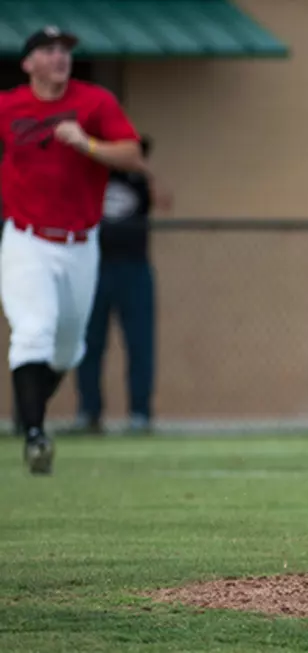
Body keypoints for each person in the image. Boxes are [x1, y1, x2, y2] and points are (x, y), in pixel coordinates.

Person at [0, 26, 144, 474]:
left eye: (64, 49)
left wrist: (88, 143)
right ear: (27, 63)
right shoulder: (8, 107)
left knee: (66, 351)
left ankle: (28, 415)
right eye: (47, 50)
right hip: (26, 238)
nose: (59, 56)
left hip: (81, 243)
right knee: (32, 330)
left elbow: (132, 156)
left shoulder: (94, 102)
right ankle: (36, 435)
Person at [74, 135, 169, 434]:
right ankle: (89, 413)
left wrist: (145, 169)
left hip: (135, 269)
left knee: (140, 344)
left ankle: (140, 414)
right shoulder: (94, 176)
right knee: (89, 344)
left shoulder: (139, 180)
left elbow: (165, 202)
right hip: (95, 268)